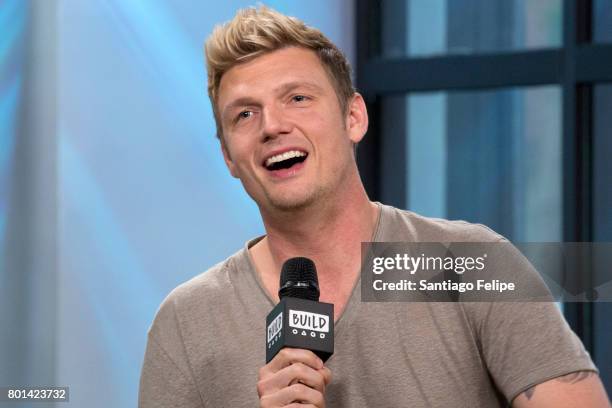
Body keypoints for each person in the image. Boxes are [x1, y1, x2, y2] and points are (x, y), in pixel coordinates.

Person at [138, 6, 610, 408]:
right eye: (245, 114)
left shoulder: (473, 262)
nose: (272, 125)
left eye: (298, 98)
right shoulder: (186, 323)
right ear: (228, 158)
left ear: (353, 117)